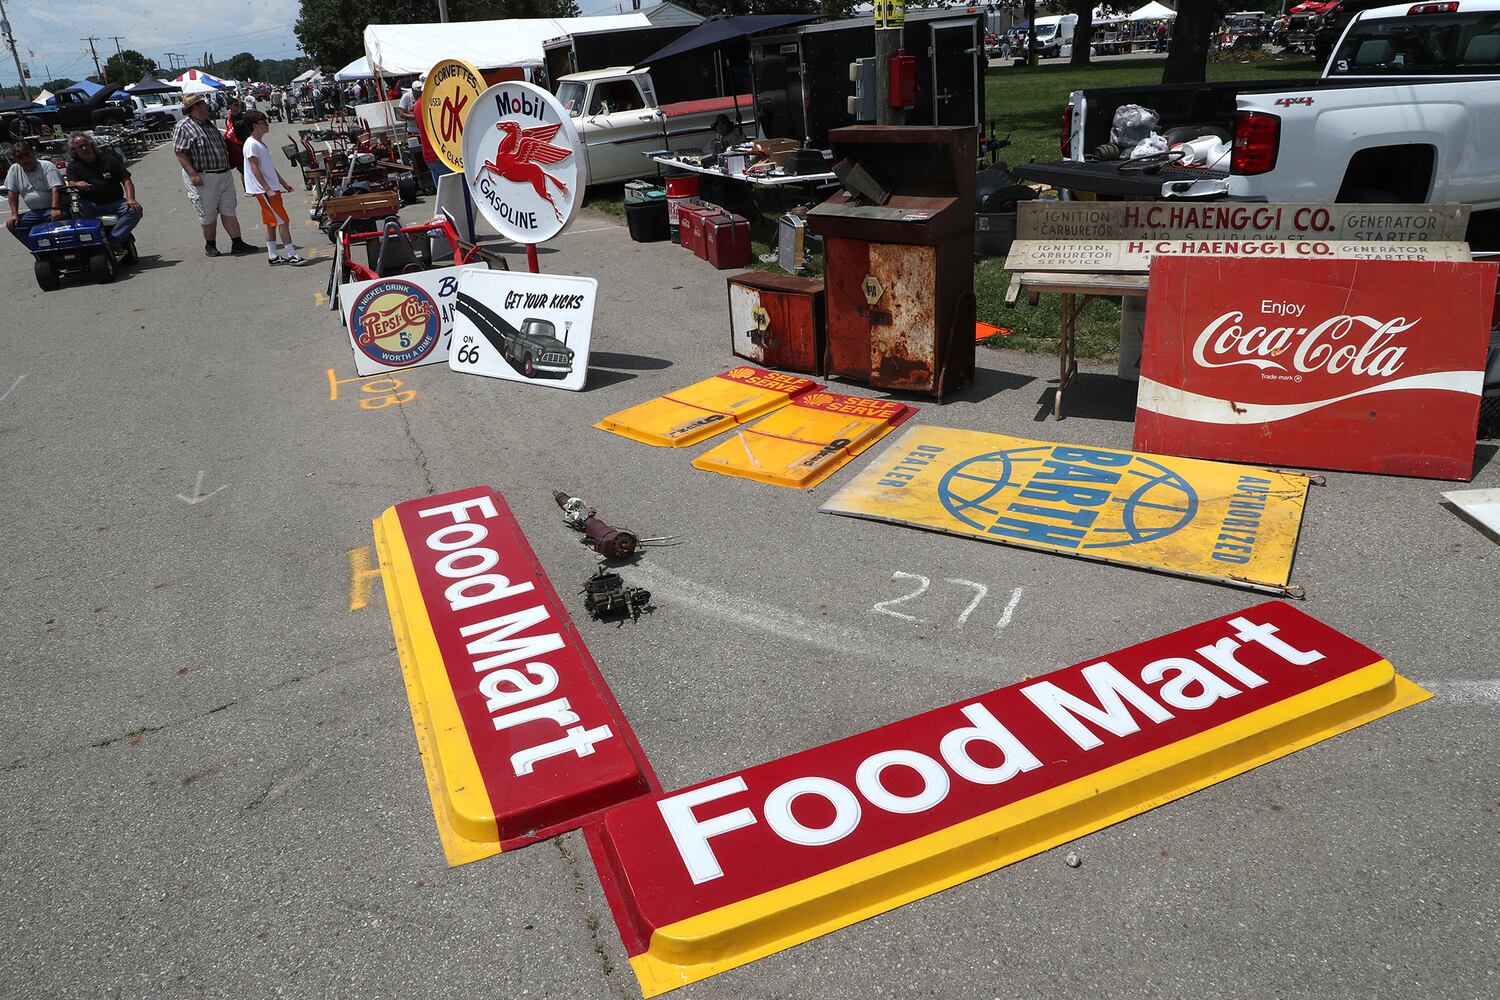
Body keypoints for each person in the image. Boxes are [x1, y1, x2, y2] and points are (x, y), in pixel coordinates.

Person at [173, 92, 256, 257]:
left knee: (228, 208)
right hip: (203, 176)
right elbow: (180, 153)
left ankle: (237, 243)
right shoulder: (184, 126)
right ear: (196, 107)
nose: (207, 106)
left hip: (223, 174)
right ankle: (210, 245)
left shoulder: (208, 124)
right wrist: (192, 174)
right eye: (203, 104)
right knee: (207, 212)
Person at [239, 111, 303, 266]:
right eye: (263, 122)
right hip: (265, 191)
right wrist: (267, 189)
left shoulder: (259, 143)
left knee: (271, 223)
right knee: (283, 221)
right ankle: (291, 254)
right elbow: (254, 168)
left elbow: (269, 168)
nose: (267, 124)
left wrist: (283, 183)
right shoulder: (252, 144)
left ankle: (273, 255)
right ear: (254, 125)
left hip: (270, 189)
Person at [65, 131, 143, 253]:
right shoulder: (73, 166)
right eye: (79, 147)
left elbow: (126, 180)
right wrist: (76, 183)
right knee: (73, 210)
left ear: (91, 145)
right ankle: (86, 243)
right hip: (90, 205)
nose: (84, 148)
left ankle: (114, 240)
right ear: (74, 150)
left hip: (115, 203)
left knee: (135, 210)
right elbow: (70, 183)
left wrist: (130, 199)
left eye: (86, 145)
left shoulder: (109, 160)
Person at [4, 140, 65, 244]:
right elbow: (12, 193)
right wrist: (14, 214)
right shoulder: (14, 169)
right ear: (15, 159)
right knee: (13, 225)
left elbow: (55, 188)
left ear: (33, 153)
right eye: (20, 157)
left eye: (27, 155)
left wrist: (55, 208)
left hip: (53, 209)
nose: (25, 159)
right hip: (35, 212)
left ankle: (61, 247)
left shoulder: (47, 165)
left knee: (60, 221)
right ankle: (38, 249)